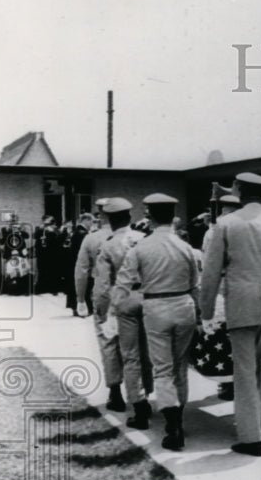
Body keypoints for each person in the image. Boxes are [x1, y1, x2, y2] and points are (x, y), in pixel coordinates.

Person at [200, 173, 261, 456]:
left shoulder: (226, 224)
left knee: (244, 371)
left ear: (239, 190)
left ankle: (250, 437)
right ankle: (260, 419)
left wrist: (206, 311)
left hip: (242, 305)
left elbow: (211, 272)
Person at [113, 193, 199, 451]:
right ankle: (178, 420)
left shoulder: (140, 248)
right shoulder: (185, 247)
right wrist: (200, 314)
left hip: (156, 306)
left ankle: (173, 427)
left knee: (162, 368)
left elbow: (123, 283)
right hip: (184, 305)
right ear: (173, 217)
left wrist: (114, 309)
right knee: (180, 367)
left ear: (149, 218)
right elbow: (195, 284)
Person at [93, 198, 154, 429]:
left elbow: (103, 285)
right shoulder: (143, 238)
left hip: (123, 298)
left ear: (109, 220)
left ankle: (135, 401)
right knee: (146, 352)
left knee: (128, 354)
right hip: (147, 296)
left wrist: (103, 311)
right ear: (129, 217)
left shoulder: (108, 245)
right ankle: (146, 394)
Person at [76, 198, 125, 410]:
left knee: (108, 341)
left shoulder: (91, 238)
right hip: (130, 293)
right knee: (133, 344)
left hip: (104, 293)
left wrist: (80, 299)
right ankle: (139, 394)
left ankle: (115, 392)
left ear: (99, 213)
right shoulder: (131, 236)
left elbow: (82, 271)